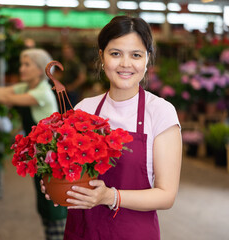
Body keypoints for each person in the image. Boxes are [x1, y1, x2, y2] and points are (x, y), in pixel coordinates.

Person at [41, 15, 182, 239]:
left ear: (147, 59)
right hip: (83, 232)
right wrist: (56, 182)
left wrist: (110, 197)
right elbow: (69, 169)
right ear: (102, 56)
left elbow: (166, 195)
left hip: (132, 233)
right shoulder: (84, 108)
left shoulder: (160, 112)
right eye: (115, 53)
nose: (125, 64)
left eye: (136, 55)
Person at [0, 48, 68, 240]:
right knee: (45, 204)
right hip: (41, 157)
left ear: (40, 69)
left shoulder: (42, 92)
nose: (21, 68)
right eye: (21, 63)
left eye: (27, 64)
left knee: (54, 207)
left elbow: (7, 98)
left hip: (53, 160)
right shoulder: (27, 87)